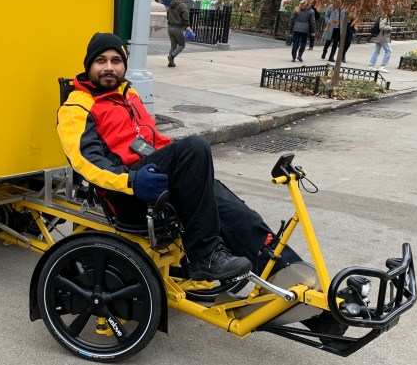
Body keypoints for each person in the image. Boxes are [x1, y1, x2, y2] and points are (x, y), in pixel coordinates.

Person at [57, 32, 303, 283]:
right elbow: (86, 162)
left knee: (226, 203)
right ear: (89, 66)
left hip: (155, 179)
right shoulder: (76, 107)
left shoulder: (128, 95)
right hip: (128, 193)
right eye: (101, 61)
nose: (109, 67)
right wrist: (131, 181)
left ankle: (287, 275)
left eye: (116, 61)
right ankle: (205, 256)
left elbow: (152, 141)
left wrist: (183, 164)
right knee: (195, 147)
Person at [166, 0, 192, 68]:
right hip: (178, 28)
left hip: (170, 28)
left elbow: (168, 15)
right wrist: (188, 26)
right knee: (182, 45)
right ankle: (171, 56)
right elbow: (185, 16)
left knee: (173, 46)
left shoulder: (171, 5)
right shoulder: (182, 5)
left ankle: (171, 63)